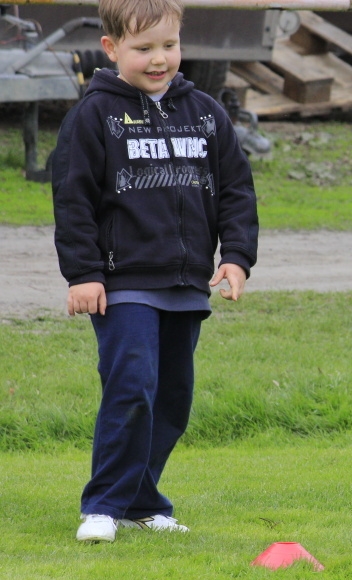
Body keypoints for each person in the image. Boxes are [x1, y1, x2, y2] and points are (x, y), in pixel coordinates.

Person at [52, 0, 259, 543]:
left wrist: (235, 257)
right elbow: (73, 200)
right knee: (132, 386)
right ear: (112, 48)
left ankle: (143, 502)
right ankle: (102, 505)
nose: (159, 59)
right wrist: (83, 274)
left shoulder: (207, 113)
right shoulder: (94, 116)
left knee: (171, 397)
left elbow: (237, 191)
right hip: (121, 283)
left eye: (169, 45)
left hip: (186, 284)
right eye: (144, 49)